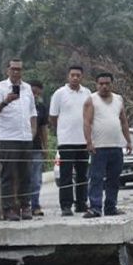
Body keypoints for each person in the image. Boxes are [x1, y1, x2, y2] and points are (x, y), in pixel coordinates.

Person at [0, 59, 38, 221]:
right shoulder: (0, 87)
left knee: (26, 174)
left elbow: (33, 113)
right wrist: (6, 101)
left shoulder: (27, 88)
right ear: (7, 70)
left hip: (25, 138)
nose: (16, 72)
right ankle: (8, 208)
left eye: (19, 69)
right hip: (8, 138)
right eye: (13, 69)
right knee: (8, 174)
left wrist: (32, 132)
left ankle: (25, 206)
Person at [82, 72, 133, 219]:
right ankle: (95, 208)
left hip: (116, 146)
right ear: (96, 84)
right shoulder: (91, 100)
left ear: (112, 84)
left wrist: (128, 141)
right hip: (99, 147)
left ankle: (111, 207)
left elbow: (123, 121)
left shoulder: (118, 99)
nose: (104, 86)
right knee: (96, 178)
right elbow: (87, 122)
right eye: (101, 84)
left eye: (107, 84)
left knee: (114, 179)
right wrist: (89, 142)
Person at [49, 66, 91, 216]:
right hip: (66, 141)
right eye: (72, 75)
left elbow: (91, 115)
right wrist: (62, 130)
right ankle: (66, 206)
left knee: (82, 174)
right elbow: (53, 116)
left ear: (82, 77)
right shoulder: (59, 94)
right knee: (66, 175)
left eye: (78, 75)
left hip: (84, 140)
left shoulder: (87, 93)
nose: (75, 78)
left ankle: (81, 203)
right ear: (68, 76)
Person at [29, 80, 49, 216]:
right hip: (21, 147)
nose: (35, 95)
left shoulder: (41, 107)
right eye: (32, 92)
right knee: (22, 178)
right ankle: (20, 205)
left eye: (37, 93)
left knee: (36, 179)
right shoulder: (19, 105)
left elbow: (43, 128)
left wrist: (45, 147)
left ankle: (35, 205)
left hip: (36, 147)